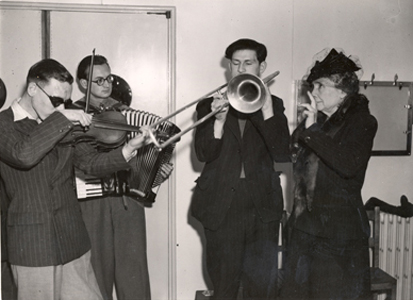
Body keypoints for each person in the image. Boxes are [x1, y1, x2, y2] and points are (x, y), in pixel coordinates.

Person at [0, 58, 151, 300]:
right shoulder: (4, 124)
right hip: (33, 246)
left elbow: (91, 163)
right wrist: (61, 118)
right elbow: (24, 155)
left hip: (73, 242)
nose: (60, 108)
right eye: (56, 101)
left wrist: (129, 148)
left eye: (65, 102)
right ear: (32, 89)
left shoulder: (58, 125)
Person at [191, 38, 291, 299]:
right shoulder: (208, 105)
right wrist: (218, 122)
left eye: (249, 63)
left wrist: (266, 108)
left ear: (262, 66)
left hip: (262, 205)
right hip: (223, 204)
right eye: (235, 63)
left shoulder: (275, 105)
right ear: (229, 67)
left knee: (261, 286)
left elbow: (282, 153)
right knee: (224, 285)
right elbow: (203, 154)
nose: (241, 69)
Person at [280, 48, 378, 300]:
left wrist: (312, 129)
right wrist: (307, 125)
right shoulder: (319, 122)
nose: (313, 93)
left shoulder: (363, 122)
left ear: (343, 91)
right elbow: (290, 153)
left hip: (339, 236)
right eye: (312, 86)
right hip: (305, 229)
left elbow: (347, 164)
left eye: (320, 86)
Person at [73, 54, 172, 300]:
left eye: (109, 78)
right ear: (84, 84)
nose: (107, 84)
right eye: (99, 80)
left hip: (129, 202)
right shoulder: (73, 115)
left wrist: (156, 174)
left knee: (134, 274)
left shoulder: (126, 113)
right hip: (92, 202)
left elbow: (142, 160)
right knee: (96, 275)